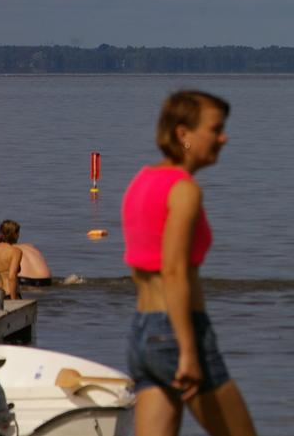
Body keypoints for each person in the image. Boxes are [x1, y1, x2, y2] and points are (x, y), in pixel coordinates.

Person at [122, 90, 257, 436]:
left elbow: (142, 267)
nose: (223, 138)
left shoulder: (141, 181)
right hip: (176, 333)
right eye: (215, 129)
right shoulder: (184, 189)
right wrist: (188, 351)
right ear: (183, 133)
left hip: (142, 333)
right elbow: (174, 270)